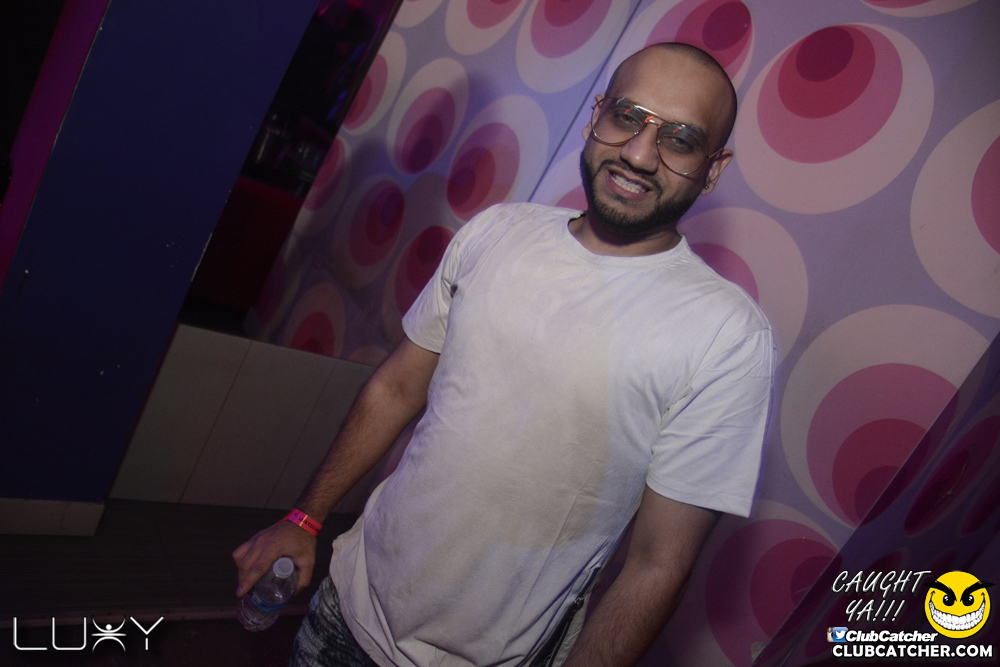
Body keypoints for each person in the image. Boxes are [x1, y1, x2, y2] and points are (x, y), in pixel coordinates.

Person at [234, 42, 774, 667]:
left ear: (712, 168)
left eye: (679, 139)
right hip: (344, 608)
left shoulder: (726, 336)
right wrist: (304, 519)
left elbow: (657, 565)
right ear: (597, 116)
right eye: (627, 116)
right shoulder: (497, 231)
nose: (638, 153)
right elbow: (396, 388)